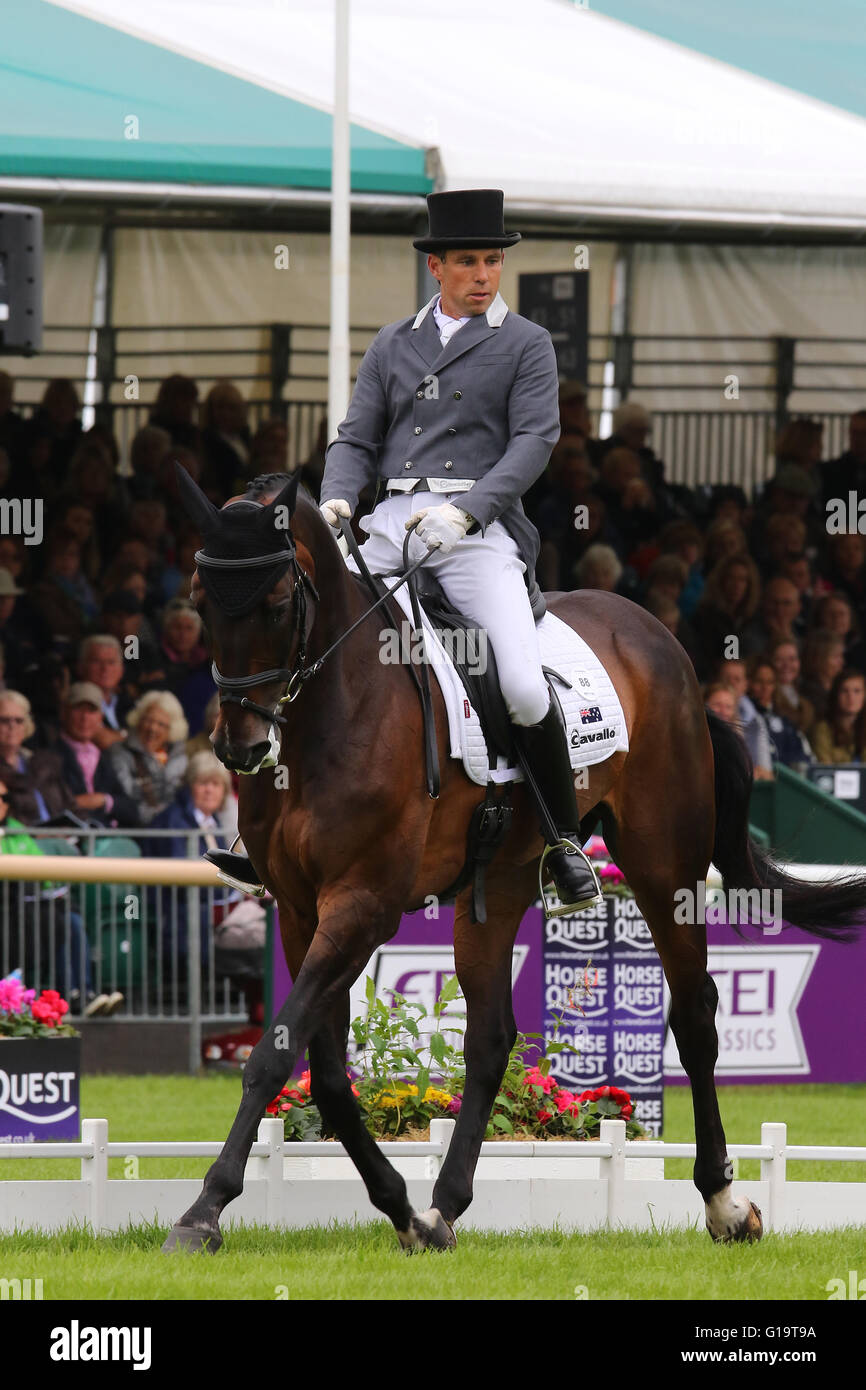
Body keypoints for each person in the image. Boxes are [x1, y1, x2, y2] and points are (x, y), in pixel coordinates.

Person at [209, 189, 602, 913]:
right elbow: (356, 437)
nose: (483, 274)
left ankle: (562, 840)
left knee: (517, 679)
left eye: (491, 260)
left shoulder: (526, 344)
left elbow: (535, 442)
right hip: (389, 524)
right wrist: (337, 497)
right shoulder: (393, 343)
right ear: (436, 267)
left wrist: (470, 510)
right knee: (313, 646)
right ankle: (258, 836)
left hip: (475, 536)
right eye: (467, 261)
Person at [0, 777, 119, 1016]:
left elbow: (42, 870)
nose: (3, 803)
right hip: (8, 916)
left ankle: (83, 993)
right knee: (59, 921)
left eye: (5, 798)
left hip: (30, 908)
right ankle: (74, 995)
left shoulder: (16, 829)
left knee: (70, 919)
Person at [107, 690, 189, 826]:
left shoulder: (179, 757)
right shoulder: (120, 752)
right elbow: (126, 794)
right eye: (148, 720)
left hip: (174, 827)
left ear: (172, 729)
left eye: (161, 724)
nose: (152, 728)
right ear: (138, 720)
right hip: (136, 828)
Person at [810, 668, 866, 765]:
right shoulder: (823, 729)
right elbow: (825, 768)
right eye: (844, 691)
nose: (851, 697)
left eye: (857, 691)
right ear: (836, 694)